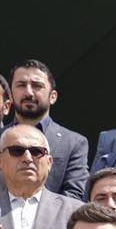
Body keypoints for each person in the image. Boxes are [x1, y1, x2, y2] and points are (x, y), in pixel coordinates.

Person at [0, 124, 84, 229]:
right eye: (16, 150)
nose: (27, 158)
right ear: (0, 161)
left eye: (36, 152)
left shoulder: (76, 212)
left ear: (49, 162)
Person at [6, 60, 88, 200]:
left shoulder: (73, 143)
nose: (28, 92)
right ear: (11, 95)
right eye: (21, 85)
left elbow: (75, 195)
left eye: (37, 86)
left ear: (53, 96)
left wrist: (36, 212)